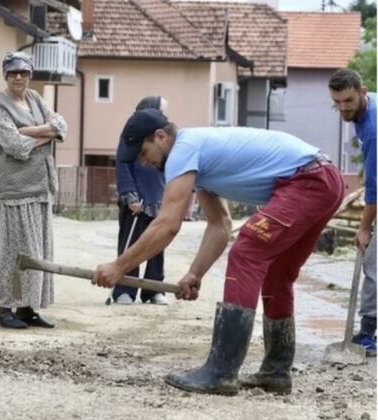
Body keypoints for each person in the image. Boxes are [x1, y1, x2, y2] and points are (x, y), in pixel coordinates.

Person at [92, 109, 345, 395]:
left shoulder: (182, 151)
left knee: (246, 251)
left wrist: (119, 266)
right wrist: (195, 273)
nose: (144, 161)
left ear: (161, 136)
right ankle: (276, 372)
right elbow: (220, 224)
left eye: (143, 151)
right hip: (324, 180)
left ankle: (221, 372)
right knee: (276, 272)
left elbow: (167, 224)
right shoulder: (197, 159)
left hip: (307, 181)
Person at [0, 51, 67, 329]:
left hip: (41, 185)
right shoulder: (0, 106)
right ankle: (4, 307)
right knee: (15, 251)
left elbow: (62, 126)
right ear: (5, 75)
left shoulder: (35, 98)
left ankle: (27, 307)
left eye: (23, 73)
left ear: (29, 75)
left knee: (39, 250)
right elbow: (14, 146)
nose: (18, 77)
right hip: (15, 190)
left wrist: (29, 131)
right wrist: (46, 133)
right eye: (13, 73)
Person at [329, 68, 376, 355]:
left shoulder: (372, 128)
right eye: (338, 102)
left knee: (373, 264)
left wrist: (364, 227)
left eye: (348, 100)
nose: (343, 107)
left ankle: (367, 334)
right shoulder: (366, 110)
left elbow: (376, 187)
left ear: (362, 92)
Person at [110, 95, 168, 305]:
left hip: (159, 196)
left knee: (157, 244)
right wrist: (130, 195)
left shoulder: (163, 136)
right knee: (131, 244)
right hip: (137, 198)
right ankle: (124, 288)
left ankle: (154, 289)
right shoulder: (133, 131)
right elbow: (123, 165)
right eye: (161, 110)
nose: (164, 115)